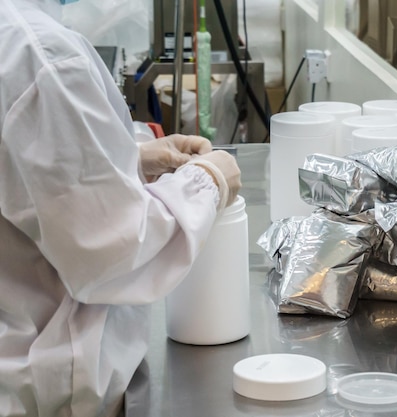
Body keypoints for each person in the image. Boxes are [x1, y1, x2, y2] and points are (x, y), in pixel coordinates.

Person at [0, 0, 242, 416]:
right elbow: (116, 250)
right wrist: (209, 181)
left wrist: (125, 158)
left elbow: (23, 172)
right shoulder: (37, 53)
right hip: (48, 393)